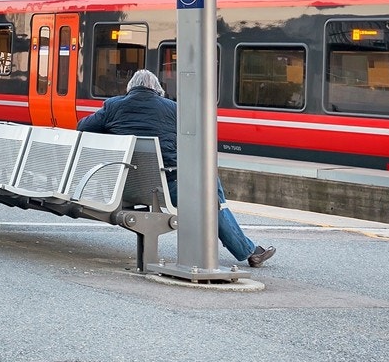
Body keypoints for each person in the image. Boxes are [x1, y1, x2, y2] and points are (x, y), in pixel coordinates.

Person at [78, 69, 276, 269]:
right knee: (210, 189)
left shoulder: (112, 106)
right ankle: (246, 248)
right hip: (165, 189)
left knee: (210, 191)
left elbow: (82, 127)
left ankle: (238, 237)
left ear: (130, 88)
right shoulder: (173, 109)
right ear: (157, 89)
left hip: (125, 187)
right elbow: (195, 140)